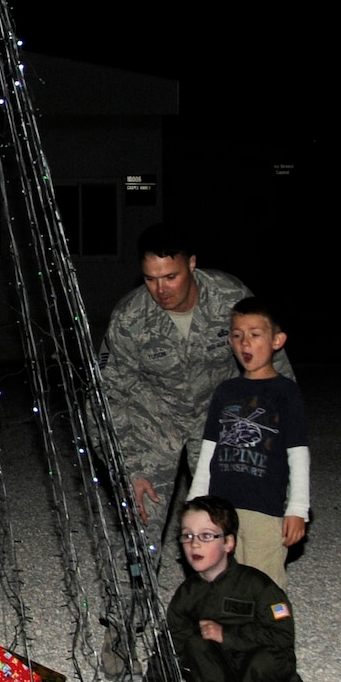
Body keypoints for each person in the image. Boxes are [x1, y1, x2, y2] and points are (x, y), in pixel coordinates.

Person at [102, 224, 293, 542]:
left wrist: (279, 438)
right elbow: (108, 396)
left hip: (218, 422)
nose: (161, 289)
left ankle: (236, 589)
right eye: (151, 278)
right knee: (139, 529)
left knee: (235, 524)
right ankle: (137, 592)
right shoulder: (129, 319)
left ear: (191, 264)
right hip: (153, 425)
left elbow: (272, 366)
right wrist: (128, 470)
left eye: (171, 277)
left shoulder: (229, 297)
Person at [127, 496, 322, 682]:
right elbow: (170, 646)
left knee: (267, 662)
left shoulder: (258, 586)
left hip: (256, 669)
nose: (194, 544)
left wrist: (226, 635)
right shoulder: (187, 595)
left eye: (206, 536)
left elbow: (282, 636)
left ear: (228, 543)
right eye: (188, 536)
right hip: (217, 674)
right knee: (193, 644)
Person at [187, 297, 309, 587]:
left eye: (255, 335)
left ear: (277, 340)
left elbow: (298, 454)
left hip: (264, 510)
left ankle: (270, 631)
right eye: (237, 335)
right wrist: (195, 503)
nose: (245, 344)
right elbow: (209, 451)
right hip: (220, 510)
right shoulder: (225, 392)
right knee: (218, 581)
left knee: (262, 584)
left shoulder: (285, 392)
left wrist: (297, 509)